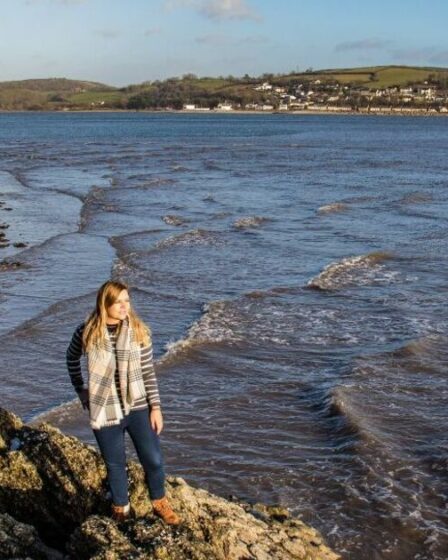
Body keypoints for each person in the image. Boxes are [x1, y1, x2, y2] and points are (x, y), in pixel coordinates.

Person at [66, 279, 181, 524]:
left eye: (126, 300)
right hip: (104, 408)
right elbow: (71, 358)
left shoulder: (139, 331)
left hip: (138, 406)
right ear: (104, 303)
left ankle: (159, 501)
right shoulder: (87, 331)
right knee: (115, 464)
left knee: (153, 459)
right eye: (117, 301)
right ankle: (121, 509)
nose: (124, 306)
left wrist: (156, 408)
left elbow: (148, 372)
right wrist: (81, 389)